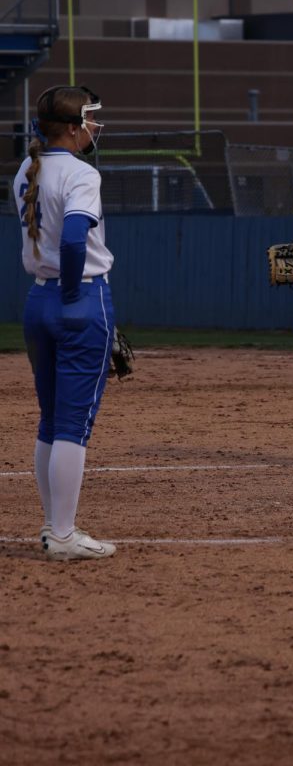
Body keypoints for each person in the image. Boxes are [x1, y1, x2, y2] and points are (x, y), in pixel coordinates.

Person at [15, 85, 117, 559]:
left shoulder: (27, 169)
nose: (95, 127)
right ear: (72, 128)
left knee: (52, 420)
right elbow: (76, 240)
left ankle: (53, 524)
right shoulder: (80, 173)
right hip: (79, 298)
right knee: (73, 424)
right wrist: (77, 297)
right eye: (89, 119)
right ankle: (61, 535)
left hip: (38, 302)